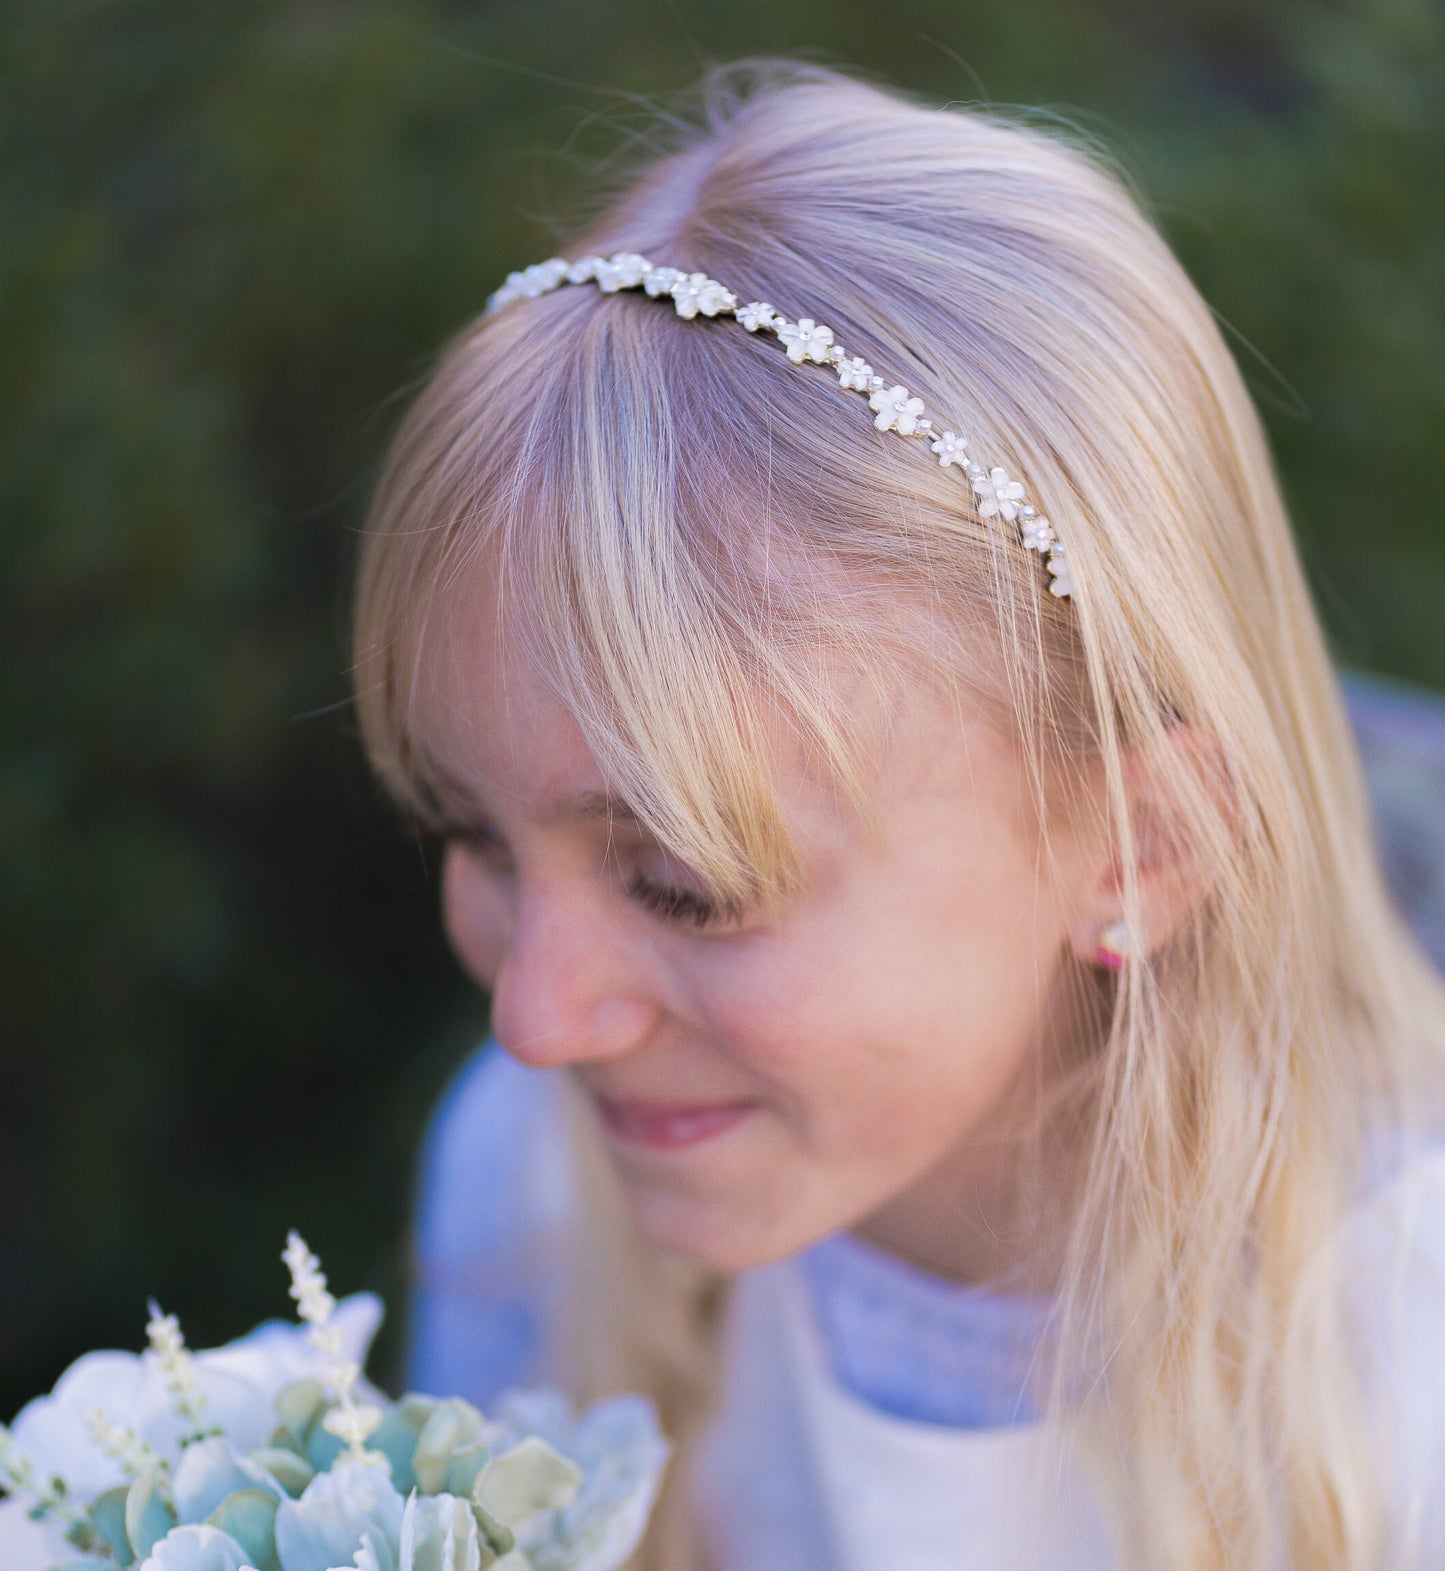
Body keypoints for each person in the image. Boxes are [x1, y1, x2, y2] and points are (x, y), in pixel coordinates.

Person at [350, 61, 1445, 1571]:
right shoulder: (534, 1181)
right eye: (470, 836)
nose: (535, 1021)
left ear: (1143, 846)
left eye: (682, 885)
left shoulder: (1402, 1351)